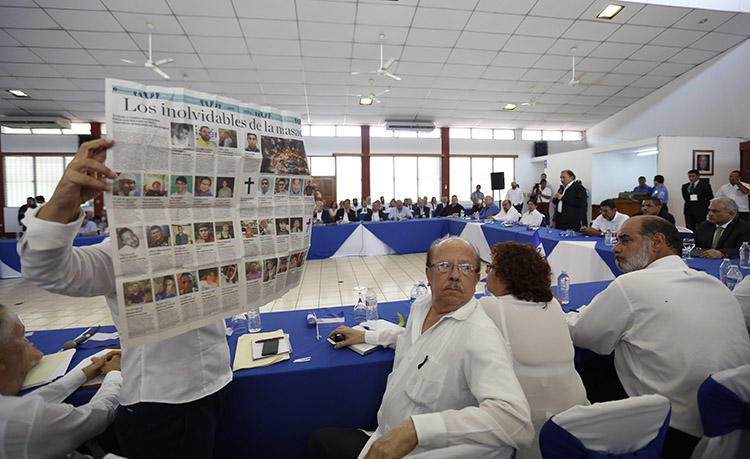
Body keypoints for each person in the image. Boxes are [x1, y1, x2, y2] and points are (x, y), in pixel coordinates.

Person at [309, 237, 533, 458]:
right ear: (428, 274)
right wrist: (366, 335)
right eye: (445, 266)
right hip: (380, 438)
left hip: (422, 451)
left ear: (476, 279)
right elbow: (413, 340)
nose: (455, 275)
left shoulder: (479, 335)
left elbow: (516, 423)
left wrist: (417, 430)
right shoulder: (422, 306)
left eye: (466, 268)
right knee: (321, 438)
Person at [565, 216, 750, 458]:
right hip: (729, 422)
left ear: (657, 242)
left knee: (582, 364)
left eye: (625, 240)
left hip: (671, 429)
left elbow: (584, 334)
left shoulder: (632, 284)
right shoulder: (714, 284)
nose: (615, 248)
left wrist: (558, 313)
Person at [481, 242, 588, 458]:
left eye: (490, 267)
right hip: (577, 420)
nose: (487, 273)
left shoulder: (490, 307)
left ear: (505, 275)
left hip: (529, 429)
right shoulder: (554, 304)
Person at [0, 303, 123, 458]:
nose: (29, 343)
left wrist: (81, 375)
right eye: (21, 339)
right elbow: (95, 418)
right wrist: (114, 373)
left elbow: (25, 405)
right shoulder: (22, 423)